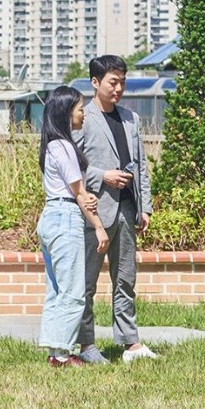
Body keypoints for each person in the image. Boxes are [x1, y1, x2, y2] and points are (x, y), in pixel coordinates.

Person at [74, 55, 159, 364]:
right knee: (87, 283)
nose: (119, 88)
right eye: (113, 82)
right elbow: (71, 166)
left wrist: (144, 206)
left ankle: (130, 343)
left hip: (127, 210)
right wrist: (102, 175)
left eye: (123, 82)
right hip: (95, 212)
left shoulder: (130, 119)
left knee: (125, 279)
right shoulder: (82, 116)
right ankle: (86, 345)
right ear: (95, 83)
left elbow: (142, 166)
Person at [36, 86, 104, 367]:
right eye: (79, 107)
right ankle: (62, 354)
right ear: (66, 112)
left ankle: (55, 351)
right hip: (65, 217)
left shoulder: (53, 145)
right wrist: (99, 227)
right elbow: (80, 194)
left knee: (56, 290)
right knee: (74, 291)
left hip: (52, 215)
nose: (83, 112)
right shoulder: (63, 146)